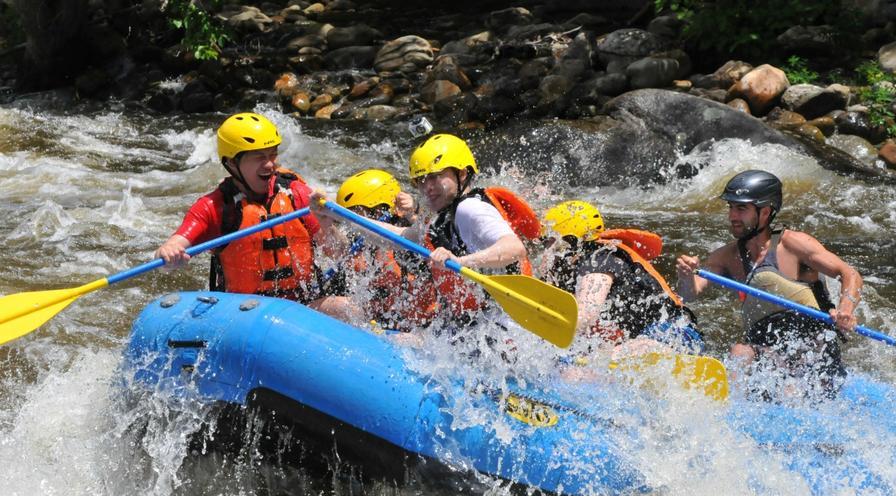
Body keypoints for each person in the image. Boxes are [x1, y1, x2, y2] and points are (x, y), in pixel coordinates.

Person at [316, 133, 537, 327]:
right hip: (476, 323)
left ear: (461, 174)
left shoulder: (469, 209)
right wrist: (338, 215)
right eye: (421, 180)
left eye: (434, 177)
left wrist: (462, 261)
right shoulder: (444, 217)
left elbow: (514, 248)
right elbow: (398, 237)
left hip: (504, 323)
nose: (426, 187)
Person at [675, 170, 863, 396]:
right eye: (731, 207)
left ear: (765, 212)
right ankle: (734, 412)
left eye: (741, 208)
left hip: (812, 345)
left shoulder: (793, 244)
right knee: (739, 352)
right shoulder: (725, 256)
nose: (732, 215)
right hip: (766, 347)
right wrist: (686, 275)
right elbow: (690, 293)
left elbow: (849, 273)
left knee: (790, 390)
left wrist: (846, 309)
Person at [155, 112, 349, 318]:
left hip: (301, 307)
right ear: (231, 163)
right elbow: (173, 247)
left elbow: (340, 254)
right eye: (259, 157)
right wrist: (168, 254)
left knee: (345, 308)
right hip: (244, 314)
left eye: (272, 154)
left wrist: (327, 224)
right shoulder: (213, 208)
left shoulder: (296, 194)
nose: (269, 165)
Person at [541, 200, 702, 354]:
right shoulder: (580, 264)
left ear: (569, 241)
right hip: (650, 336)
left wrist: (544, 328)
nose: (546, 249)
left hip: (675, 334)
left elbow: (587, 313)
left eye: (548, 242)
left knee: (594, 364)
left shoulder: (599, 259)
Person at [327, 168, 437, 330]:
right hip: (384, 319)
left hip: (422, 326)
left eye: (358, 214)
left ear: (379, 209)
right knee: (335, 304)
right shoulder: (360, 243)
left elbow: (425, 228)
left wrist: (413, 212)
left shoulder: (410, 239)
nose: (352, 224)